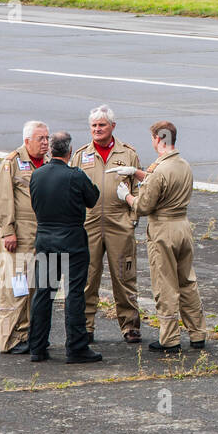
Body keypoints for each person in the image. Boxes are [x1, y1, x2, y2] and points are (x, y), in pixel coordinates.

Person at [121, 121, 204, 354]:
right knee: (187, 280)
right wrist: (139, 174)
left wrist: (127, 197)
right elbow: (162, 182)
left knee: (165, 284)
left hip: (163, 230)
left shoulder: (159, 170)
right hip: (183, 226)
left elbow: (145, 205)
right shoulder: (183, 165)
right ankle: (197, 332)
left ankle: (169, 338)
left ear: (158, 139)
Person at [28, 131, 101, 364]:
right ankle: (76, 346)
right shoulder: (76, 175)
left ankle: (37, 347)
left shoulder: (37, 175)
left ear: (51, 150)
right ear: (70, 152)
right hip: (72, 239)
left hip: (45, 237)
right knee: (74, 293)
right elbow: (93, 199)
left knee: (43, 293)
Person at [73, 105, 142, 344]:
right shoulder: (81, 155)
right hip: (89, 223)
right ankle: (86, 327)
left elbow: (137, 189)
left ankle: (130, 326)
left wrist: (132, 219)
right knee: (87, 278)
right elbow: (72, 190)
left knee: (124, 276)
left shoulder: (128, 153)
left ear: (112, 126)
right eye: (93, 125)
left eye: (102, 125)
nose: (97, 129)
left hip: (119, 223)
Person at [0, 121, 48, 354]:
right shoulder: (12, 162)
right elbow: (2, 199)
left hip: (39, 234)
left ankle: (27, 333)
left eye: (47, 138)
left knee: (34, 287)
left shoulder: (47, 162)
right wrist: (8, 231)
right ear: (27, 141)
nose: (45, 143)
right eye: (40, 139)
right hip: (18, 236)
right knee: (16, 288)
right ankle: (10, 339)